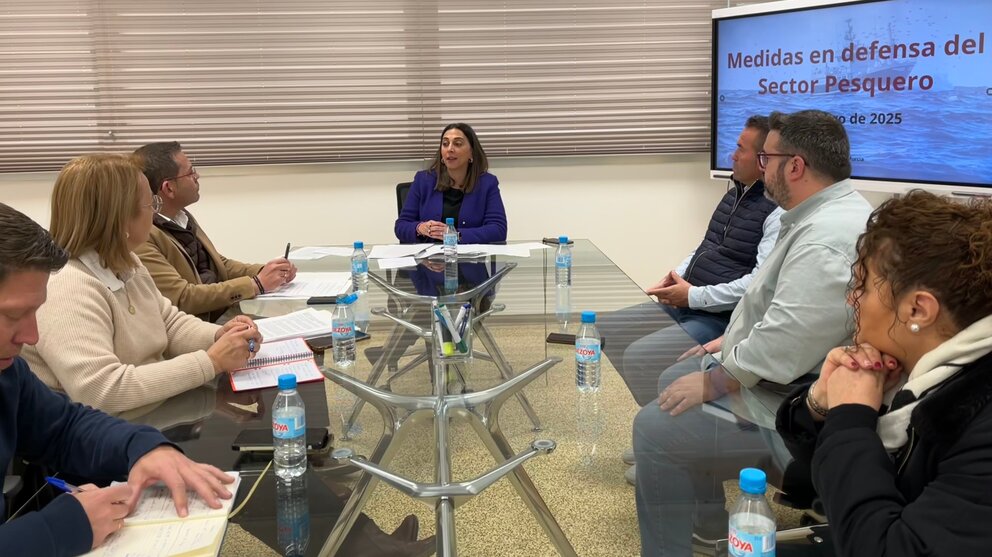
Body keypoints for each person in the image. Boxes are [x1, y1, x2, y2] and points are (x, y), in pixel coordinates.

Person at [632, 110, 874, 556]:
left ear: (795, 166)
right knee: (671, 382)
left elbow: (786, 342)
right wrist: (726, 343)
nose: (762, 168)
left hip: (790, 404)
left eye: (767, 158)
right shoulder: (817, 214)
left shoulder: (826, 236)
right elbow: (783, 309)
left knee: (653, 427)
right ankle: (707, 525)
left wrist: (714, 379)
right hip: (782, 376)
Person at [0, 201, 235, 556]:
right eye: (14, 315)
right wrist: (57, 529)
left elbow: (64, 427)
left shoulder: (7, 371)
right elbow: (101, 388)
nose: (31, 335)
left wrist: (142, 447)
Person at [776, 191, 992, 556]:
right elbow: (812, 464)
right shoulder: (921, 369)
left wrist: (849, 419)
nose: (852, 298)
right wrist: (822, 402)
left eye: (861, 284)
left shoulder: (979, 419)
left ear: (917, 309)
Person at [21, 154, 263, 413]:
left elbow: (168, 323)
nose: (155, 213)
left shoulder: (126, 262)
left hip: (144, 414)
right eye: (151, 204)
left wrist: (219, 334)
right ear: (122, 218)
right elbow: (101, 391)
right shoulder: (66, 285)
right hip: (89, 435)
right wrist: (211, 361)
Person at [645, 115, 783, 345]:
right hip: (688, 301)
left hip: (719, 318)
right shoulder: (732, 196)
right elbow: (706, 246)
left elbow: (757, 284)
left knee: (642, 354)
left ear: (763, 160)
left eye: (740, 149)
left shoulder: (777, 213)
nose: (733, 156)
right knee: (612, 328)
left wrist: (693, 297)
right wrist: (674, 278)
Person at [132, 141, 297, 322]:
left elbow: (220, 264)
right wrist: (255, 284)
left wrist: (267, 270)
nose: (198, 176)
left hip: (226, 312)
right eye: (191, 172)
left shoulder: (181, 216)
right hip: (200, 326)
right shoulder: (143, 238)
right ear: (169, 188)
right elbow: (183, 297)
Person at [394, 123, 508, 244]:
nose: (450, 149)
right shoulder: (423, 181)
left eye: (457, 144)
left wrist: (455, 235)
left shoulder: (487, 183)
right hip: (429, 261)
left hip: (471, 261)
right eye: (445, 144)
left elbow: (498, 230)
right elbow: (401, 226)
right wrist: (419, 228)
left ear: (471, 153)